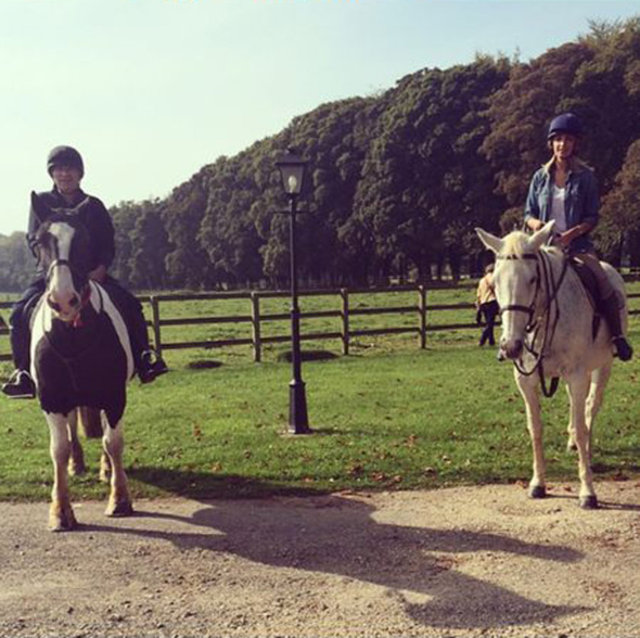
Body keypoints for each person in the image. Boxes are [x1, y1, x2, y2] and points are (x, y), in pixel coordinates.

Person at [2, 145, 168, 398]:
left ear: (80, 173)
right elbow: (33, 239)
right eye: (59, 169)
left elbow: (107, 243)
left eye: (70, 169)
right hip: (52, 275)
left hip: (91, 274)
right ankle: (22, 372)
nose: (64, 174)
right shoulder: (42, 203)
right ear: (52, 173)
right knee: (18, 314)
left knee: (130, 304)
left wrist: (101, 268)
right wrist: (50, 265)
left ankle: (145, 357)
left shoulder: (94, 206)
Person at [524, 112, 632, 361]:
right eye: (558, 139)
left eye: (568, 140)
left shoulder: (586, 177)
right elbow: (528, 213)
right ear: (551, 143)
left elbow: (592, 217)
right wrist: (539, 226)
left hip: (577, 247)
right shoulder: (539, 177)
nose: (563, 144)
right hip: (544, 246)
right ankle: (512, 340)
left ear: (575, 144)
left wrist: (572, 234)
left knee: (602, 280)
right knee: (518, 281)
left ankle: (617, 337)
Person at [475, 263, 499, 347]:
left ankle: (491, 341)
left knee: (489, 322)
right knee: (490, 323)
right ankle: (482, 341)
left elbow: (478, 293)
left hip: (483, 302)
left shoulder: (482, 280)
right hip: (492, 301)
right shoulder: (494, 278)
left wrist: (478, 303)